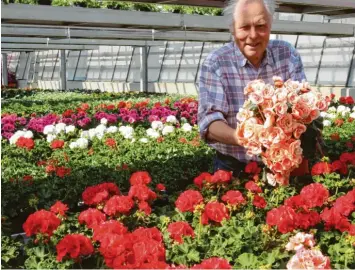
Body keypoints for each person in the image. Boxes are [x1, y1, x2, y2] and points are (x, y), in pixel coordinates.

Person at [198, 0, 307, 176]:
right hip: (233, 167)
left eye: (261, 26)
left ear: (271, 24)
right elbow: (209, 122)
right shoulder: (216, 63)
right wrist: (246, 137)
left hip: (283, 164)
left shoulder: (286, 54)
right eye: (244, 27)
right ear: (232, 28)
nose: (253, 35)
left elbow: (303, 104)